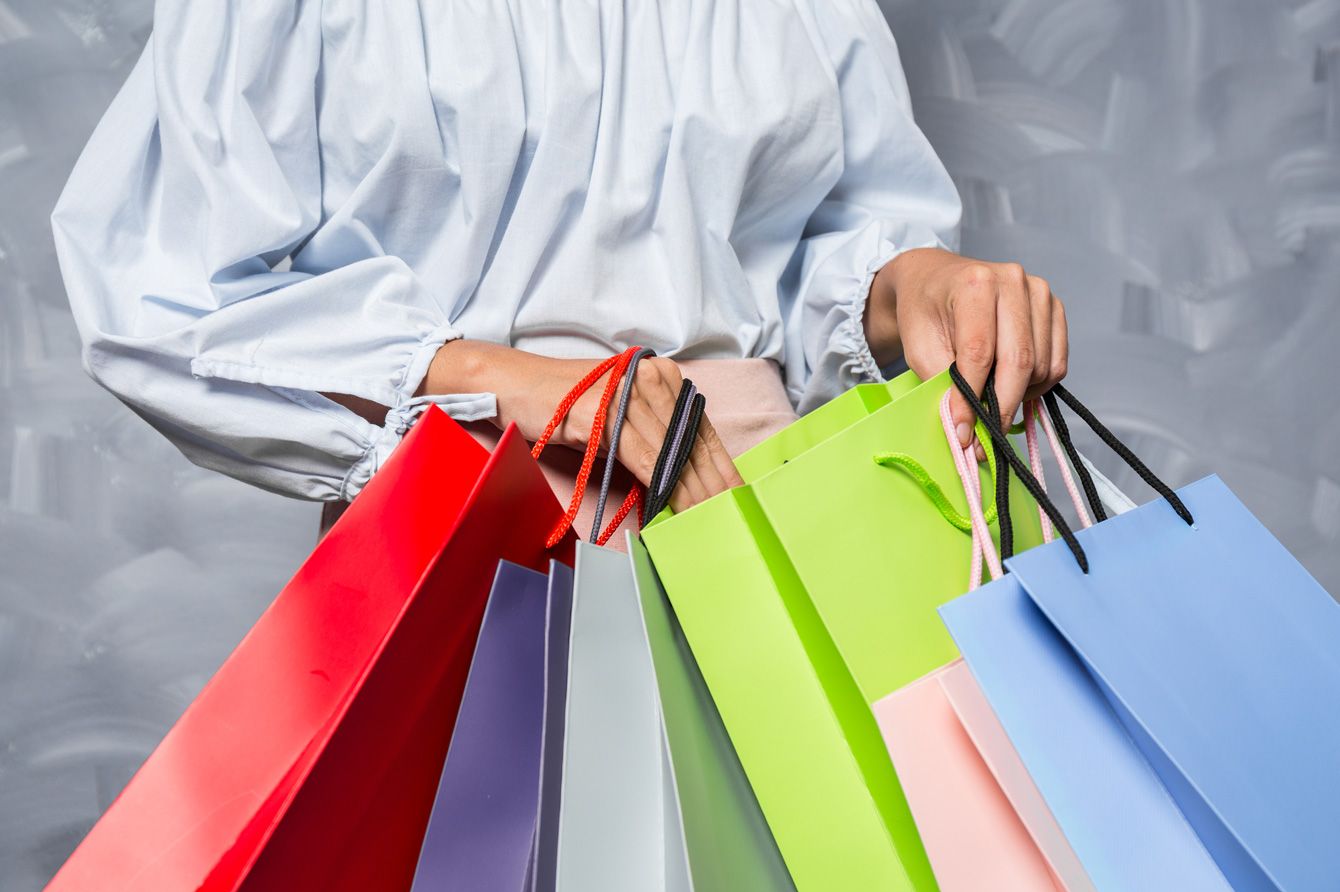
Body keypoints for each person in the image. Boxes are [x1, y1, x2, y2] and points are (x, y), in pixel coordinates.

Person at [52, 1, 1067, 543]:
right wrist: (519, 385)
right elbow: (161, 299)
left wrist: (919, 283)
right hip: (460, 534)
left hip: (766, 520)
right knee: (474, 837)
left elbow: (818, 250)